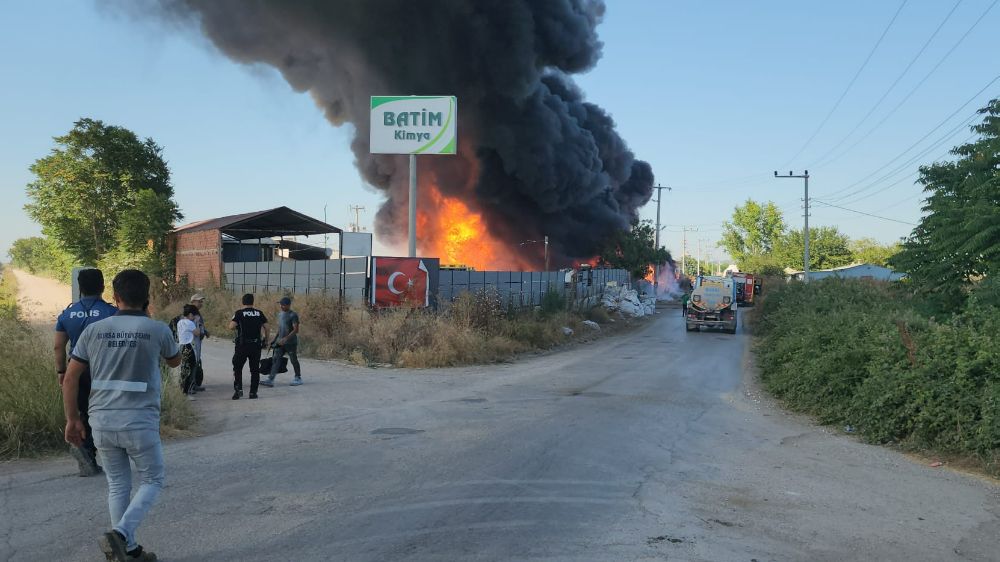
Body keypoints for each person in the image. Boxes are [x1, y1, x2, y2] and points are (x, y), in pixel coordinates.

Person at [62, 269, 181, 562]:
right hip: (139, 422)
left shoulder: (94, 330)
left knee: (118, 485)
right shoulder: (158, 330)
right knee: (153, 479)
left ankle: (126, 552)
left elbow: (70, 378)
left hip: (101, 421)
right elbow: (175, 360)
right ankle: (122, 535)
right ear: (147, 297)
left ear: (115, 298)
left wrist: (73, 419)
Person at [54, 268, 117, 477]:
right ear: (102, 286)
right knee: (104, 412)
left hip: (76, 369)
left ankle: (85, 451)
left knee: (82, 413)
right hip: (104, 369)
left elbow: (58, 346)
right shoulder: (112, 312)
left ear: (80, 288)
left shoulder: (67, 314)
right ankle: (110, 453)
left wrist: (61, 371)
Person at [229, 293, 268, 400]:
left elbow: (231, 326)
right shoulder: (259, 313)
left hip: (243, 345)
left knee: (237, 367)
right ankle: (253, 393)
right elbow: (266, 327)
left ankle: (238, 390)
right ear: (252, 302)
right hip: (256, 345)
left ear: (243, 302)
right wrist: (266, 340)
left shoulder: (239, 313)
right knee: (254, 369)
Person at [260, 296, 302, 387]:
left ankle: (298, 377)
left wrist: (286, 338)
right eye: (280, 304)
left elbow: (296, 330)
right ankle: (270, 380)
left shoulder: (293, 315)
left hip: (291, 343)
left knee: (293, 359)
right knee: (276, 359)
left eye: (283, 305)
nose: (281, 306)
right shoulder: (280, 314)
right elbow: (280, 328)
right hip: (280, 343)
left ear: (288, 305)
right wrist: (274, 340)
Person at [176, 304, 202, 397]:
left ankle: (183, 389)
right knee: (192, 368)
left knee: (184, 368)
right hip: (188, 346)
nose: (195, 317)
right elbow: (197, 333)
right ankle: (187, 390)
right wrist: (197, 323)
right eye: (194, 315)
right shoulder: (190, 323)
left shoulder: (180, 322)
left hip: (181, 346)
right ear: (191, 314)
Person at [188, 294, 209, 391]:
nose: (201, 303)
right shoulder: (190, 313)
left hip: (197, 340)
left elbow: (199, 325)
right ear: (193, 302)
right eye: (199, 301)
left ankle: (193, 383)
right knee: (192, 362)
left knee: (196, 362)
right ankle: (190, 385)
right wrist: (201, 332)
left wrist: (205, 331)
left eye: (201, 301)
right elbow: (192, 327)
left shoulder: (196, 313)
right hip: (192, 341)